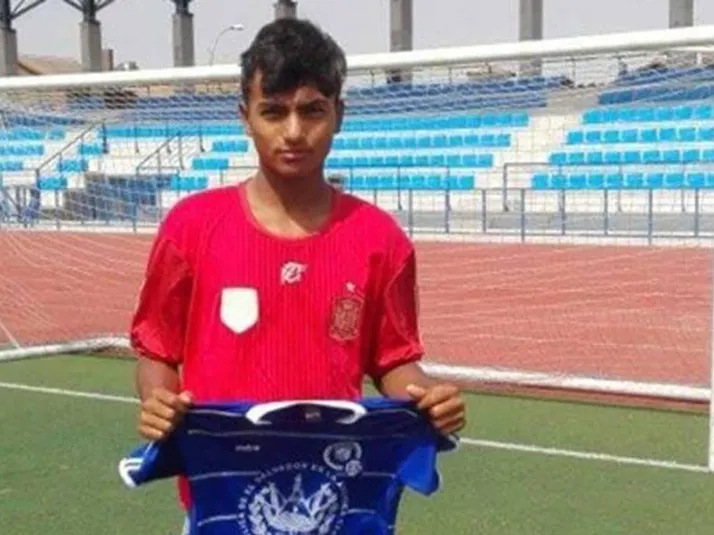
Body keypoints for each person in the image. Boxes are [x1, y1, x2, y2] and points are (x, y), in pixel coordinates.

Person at [129, 17, 466, 532]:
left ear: (338, 115)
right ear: (245, 118)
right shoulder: (191, 227)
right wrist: (158, 400)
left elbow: (393, 359)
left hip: (334, 498)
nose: (292, 132)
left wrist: (427, 398)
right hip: (223, 499)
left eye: (312, 111)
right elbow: (156, 348)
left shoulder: (380, 239)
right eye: (273, 111)